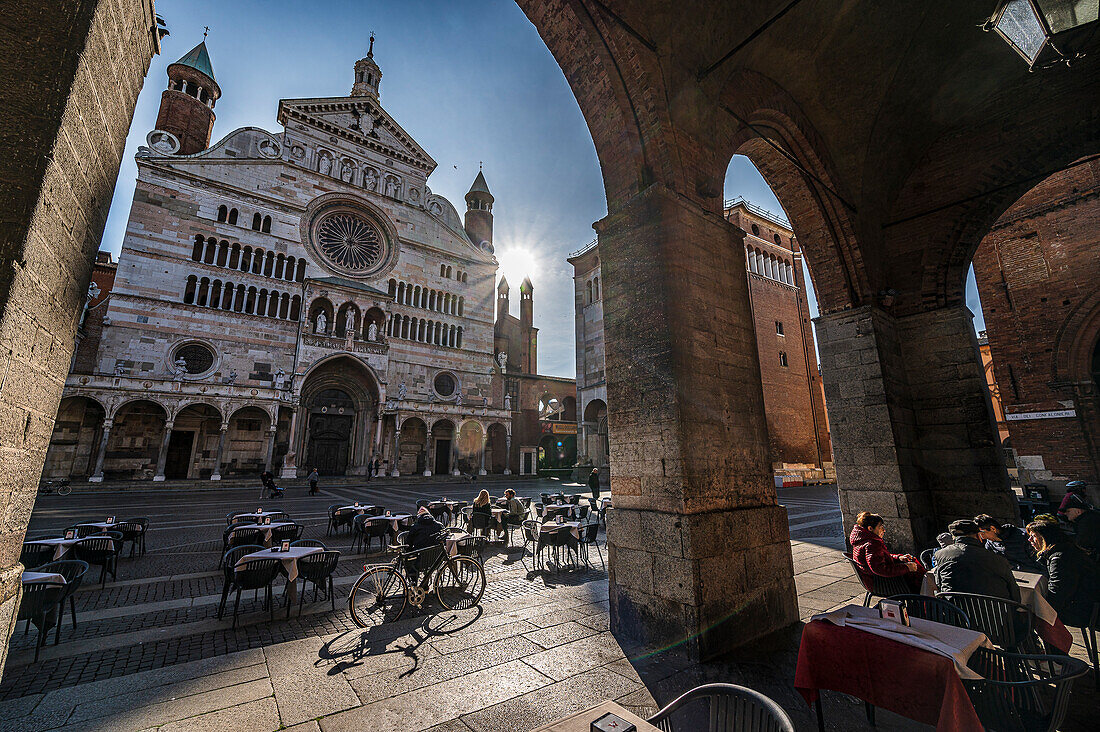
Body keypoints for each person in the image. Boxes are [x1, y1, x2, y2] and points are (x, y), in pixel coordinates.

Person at [1027, 520, 1100, 629]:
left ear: (1045, 537)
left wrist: (1042, 610)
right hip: (1085, 605)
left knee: (1029, 615)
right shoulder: (1063, 551)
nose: (1030, 540)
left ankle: (1052, 646)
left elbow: (1058, 593)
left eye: (1033, 536)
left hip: (1085, 610)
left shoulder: (1060, 557)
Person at [933, 519, 1021, 602]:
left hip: (956, 613)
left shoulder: (940, 555)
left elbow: (939, 583)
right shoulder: (996, 559)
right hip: (994, 614)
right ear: (978, 536)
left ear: (953, 537)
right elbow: (1015, 595)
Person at [849, 512, 925, 592]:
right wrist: (906, 568)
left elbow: (879, 557)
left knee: (912, 562)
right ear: (870, 528)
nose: (884, 530)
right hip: (882, 584)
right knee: (917, 574)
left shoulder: (862, 539)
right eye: (880, 527)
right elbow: (880, 569)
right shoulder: (871, 544)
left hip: (874, 581)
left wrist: (899, 557)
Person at [974, 514, 1044, 573]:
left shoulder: (1022, 537)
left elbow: (1039, 561)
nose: (982, 537)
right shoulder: (989, 545)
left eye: (982, 533)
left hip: (1035, 575)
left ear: (993, 529)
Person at [405, 506, 448, 588]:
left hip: (419, 560)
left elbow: (408, 543)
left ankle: (413, 584)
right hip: (436, 560)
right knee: (428, 554)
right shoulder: (439, 525)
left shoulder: (415, 527)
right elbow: (444, 541)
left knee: (409, 561)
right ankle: (425, 586)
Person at [1061, 493, 1100, 562]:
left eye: (1068, 511)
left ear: (1078, 512)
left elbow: (1082, 543)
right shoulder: (1087, 518)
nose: (1065, 513)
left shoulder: (1087, 522)